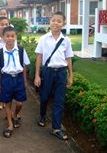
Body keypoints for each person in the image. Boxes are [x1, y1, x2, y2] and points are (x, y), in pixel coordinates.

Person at [34, 11, 73, 140]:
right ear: (50, 21)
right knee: (44, 97)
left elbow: (68, 58)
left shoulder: (66, 40)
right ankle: (42, 115)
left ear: (64, 24)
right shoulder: (44, 38)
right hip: (48, 72)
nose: (55, 23)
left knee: (59, 101)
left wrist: (70, 75)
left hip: (61, 73)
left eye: (59, 21)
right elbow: (39, 57)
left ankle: (56, 128)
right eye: (53, 20)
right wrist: (37, 75)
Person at [0, 26, 30, 138]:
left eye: (12, 36)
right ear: (3, 37)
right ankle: (10, 124)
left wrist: (25, 81)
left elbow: (24, 66)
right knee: (7, 102)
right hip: (6, 79)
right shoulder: (0, 52)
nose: (10, 38)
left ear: (16, 36)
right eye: (7, 36)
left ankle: (15, 115)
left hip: (19, 78)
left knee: (20, 102)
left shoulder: (20, 50)